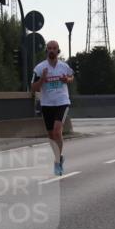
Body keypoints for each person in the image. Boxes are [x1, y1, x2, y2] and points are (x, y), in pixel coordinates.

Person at [31, 41, 75, 176]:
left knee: (57, 131)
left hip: (62, 101)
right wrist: (42, 79)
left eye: (54, 48)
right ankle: (59, 156)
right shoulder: (39, 68)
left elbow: (71, 77)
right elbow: (33, 88)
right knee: (51, 135)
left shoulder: (64, 66)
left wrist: (67, 80)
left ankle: (57, 161)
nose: (51, 50)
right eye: (49, 48)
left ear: (58, 51)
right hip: (47, 104)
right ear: (46, 51)